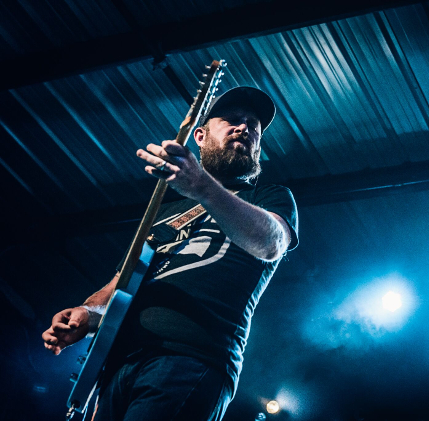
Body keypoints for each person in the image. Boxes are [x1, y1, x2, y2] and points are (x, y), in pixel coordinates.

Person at [42, 87, 299, 421]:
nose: (244, 127)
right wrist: (86, 314)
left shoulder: (270, 197)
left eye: (253, 126)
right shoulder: (163, 211)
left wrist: (202, 187)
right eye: (233, 120)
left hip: (192, 358)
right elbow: (120, 284)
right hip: (117, 363)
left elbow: (271, 243)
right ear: (200, 136)